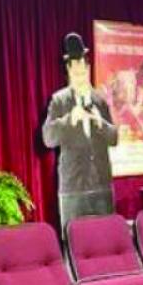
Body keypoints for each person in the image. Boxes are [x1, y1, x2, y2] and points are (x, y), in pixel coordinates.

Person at [42, 32, 121, 229]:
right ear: (68, 71)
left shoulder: (99, 100)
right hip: (73, 191)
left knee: (104, 238)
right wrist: (70, 119)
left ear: (88, 69)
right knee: (74, 241)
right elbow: (48, 138)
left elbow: (114, 138)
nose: (80, 78)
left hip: (101, 188)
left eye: (83, 72)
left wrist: (101, 124)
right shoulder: (59, 101)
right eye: (75, 73)